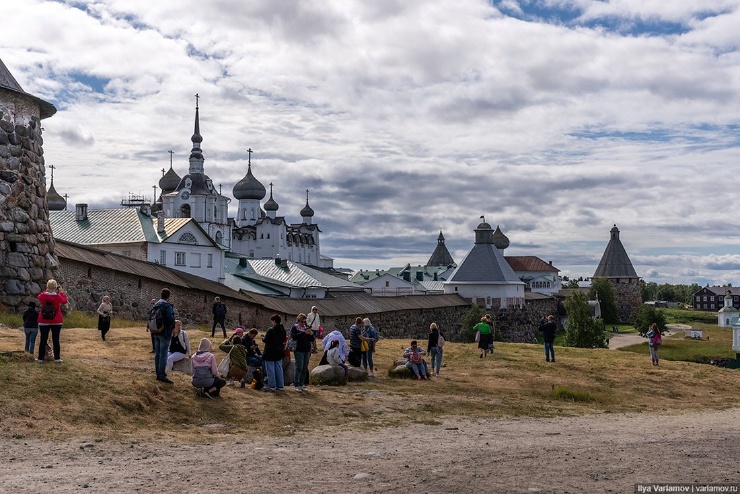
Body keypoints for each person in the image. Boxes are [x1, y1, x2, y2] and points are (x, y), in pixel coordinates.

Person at [36, 279, 68, 364]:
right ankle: (57, 358)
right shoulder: (57, 296)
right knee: (56, 339)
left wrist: (47, 290)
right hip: (56, 320)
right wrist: (61, 292)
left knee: (43, 339)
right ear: (55, 287)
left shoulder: (43, 296)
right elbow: (64, 301)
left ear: (47, 286)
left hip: (44, 320)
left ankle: (40, 358)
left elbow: (39, 296)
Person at [152, 288, 176, 384]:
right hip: (164, 332)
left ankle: (158, 373)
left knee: (157, 353)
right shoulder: (167, 306)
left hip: (156, 331)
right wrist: (173, 327)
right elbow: (170, 318)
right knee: (163, 354)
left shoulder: (156, 304)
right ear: (168, 297)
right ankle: (162, 375)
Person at [290, 313, 315, 392]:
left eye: (304, 321)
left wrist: (311, 334)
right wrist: (304, 333)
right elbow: (294, 336)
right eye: (301, 321)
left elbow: (311, 339)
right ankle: (296, 383)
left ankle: (301, 384)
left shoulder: (306, 328)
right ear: (298, 321)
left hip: (307, 350)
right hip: (299, 350)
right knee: (299, 367)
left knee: (304, 368)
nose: (303, 323)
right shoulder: (295, 328)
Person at [262, 314, 287, 392]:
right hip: (279, 351)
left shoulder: (271, 330)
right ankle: (280, 385)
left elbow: (266, 340)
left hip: (270, 351)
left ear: (274, 321)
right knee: (279, 369)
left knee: (270, 369)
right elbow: (283, 340)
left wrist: (263, 338)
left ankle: (271, 385)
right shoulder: (283, 330)